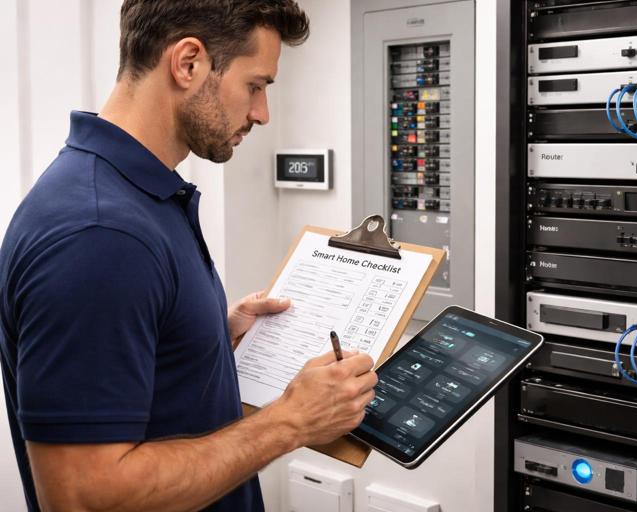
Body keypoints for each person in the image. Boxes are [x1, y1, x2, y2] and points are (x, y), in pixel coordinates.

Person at [0, 1, 377, 510]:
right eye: (256, 85)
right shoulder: (100, 235)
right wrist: (290, 422)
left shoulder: (130, 198)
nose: (262, 113)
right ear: (188, 63)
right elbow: (84, 497)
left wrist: (205, 339)